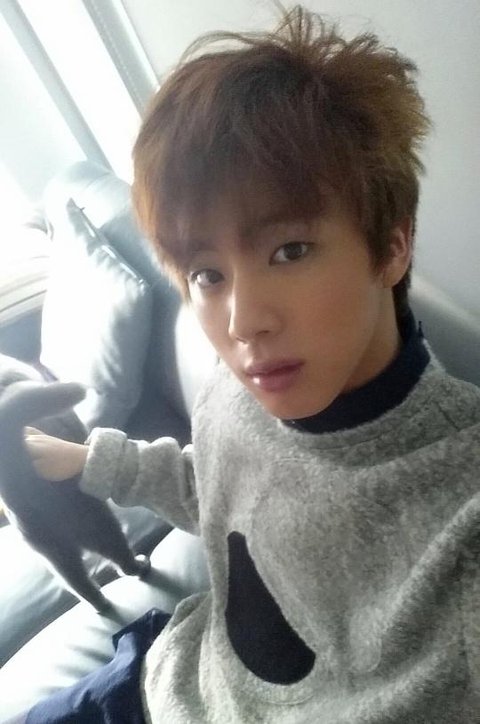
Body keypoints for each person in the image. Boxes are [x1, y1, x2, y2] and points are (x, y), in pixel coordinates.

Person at [22, 4, 480, 723]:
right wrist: (84, 460)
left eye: (288, 251)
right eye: (207, 274)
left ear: (392, 246)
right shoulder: (243, 387)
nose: (240, 323)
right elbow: (224, 493)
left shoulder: (461, 507)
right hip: (163, 678)